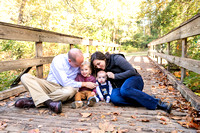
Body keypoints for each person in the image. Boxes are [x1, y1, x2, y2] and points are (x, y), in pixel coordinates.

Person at [14, 48, 97, 114]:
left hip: (67, 89)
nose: (80, 66)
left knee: (70, 91)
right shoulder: (58, 60)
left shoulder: (79, 62)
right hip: (51, 85)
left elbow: (87, 70)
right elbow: (64, 82)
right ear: (69, 61)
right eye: (78, 65)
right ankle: (49, 103)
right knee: (25, 77)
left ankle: (34, 101)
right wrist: (84, 84)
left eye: (81, 63)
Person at [90, 51, 172, 114]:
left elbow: (132, 71)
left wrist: (115, 76)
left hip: (134, 80)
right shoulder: (100, 70)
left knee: (125, 90)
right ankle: (147, 98)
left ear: (104, 58)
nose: (98, 67)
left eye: (98, 63)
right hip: (119, 87)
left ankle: (158, 103)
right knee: (115, 99)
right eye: (95, 66)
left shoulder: (116, 59)